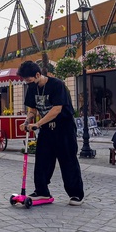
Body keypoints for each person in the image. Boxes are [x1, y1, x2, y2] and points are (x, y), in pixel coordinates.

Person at [16, 60, 85, 206]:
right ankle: (42, 191)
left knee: (68, 160)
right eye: (25, 81)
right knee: (42, 160)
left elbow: (56, 109)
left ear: (37, 74)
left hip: (64, 128)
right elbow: (33, 110)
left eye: (29, 80)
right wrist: (27, 122)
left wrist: (38, 124)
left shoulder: (57, 85)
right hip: (47, 129)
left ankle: (76, 194)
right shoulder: (32, 88)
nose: (28, 83)